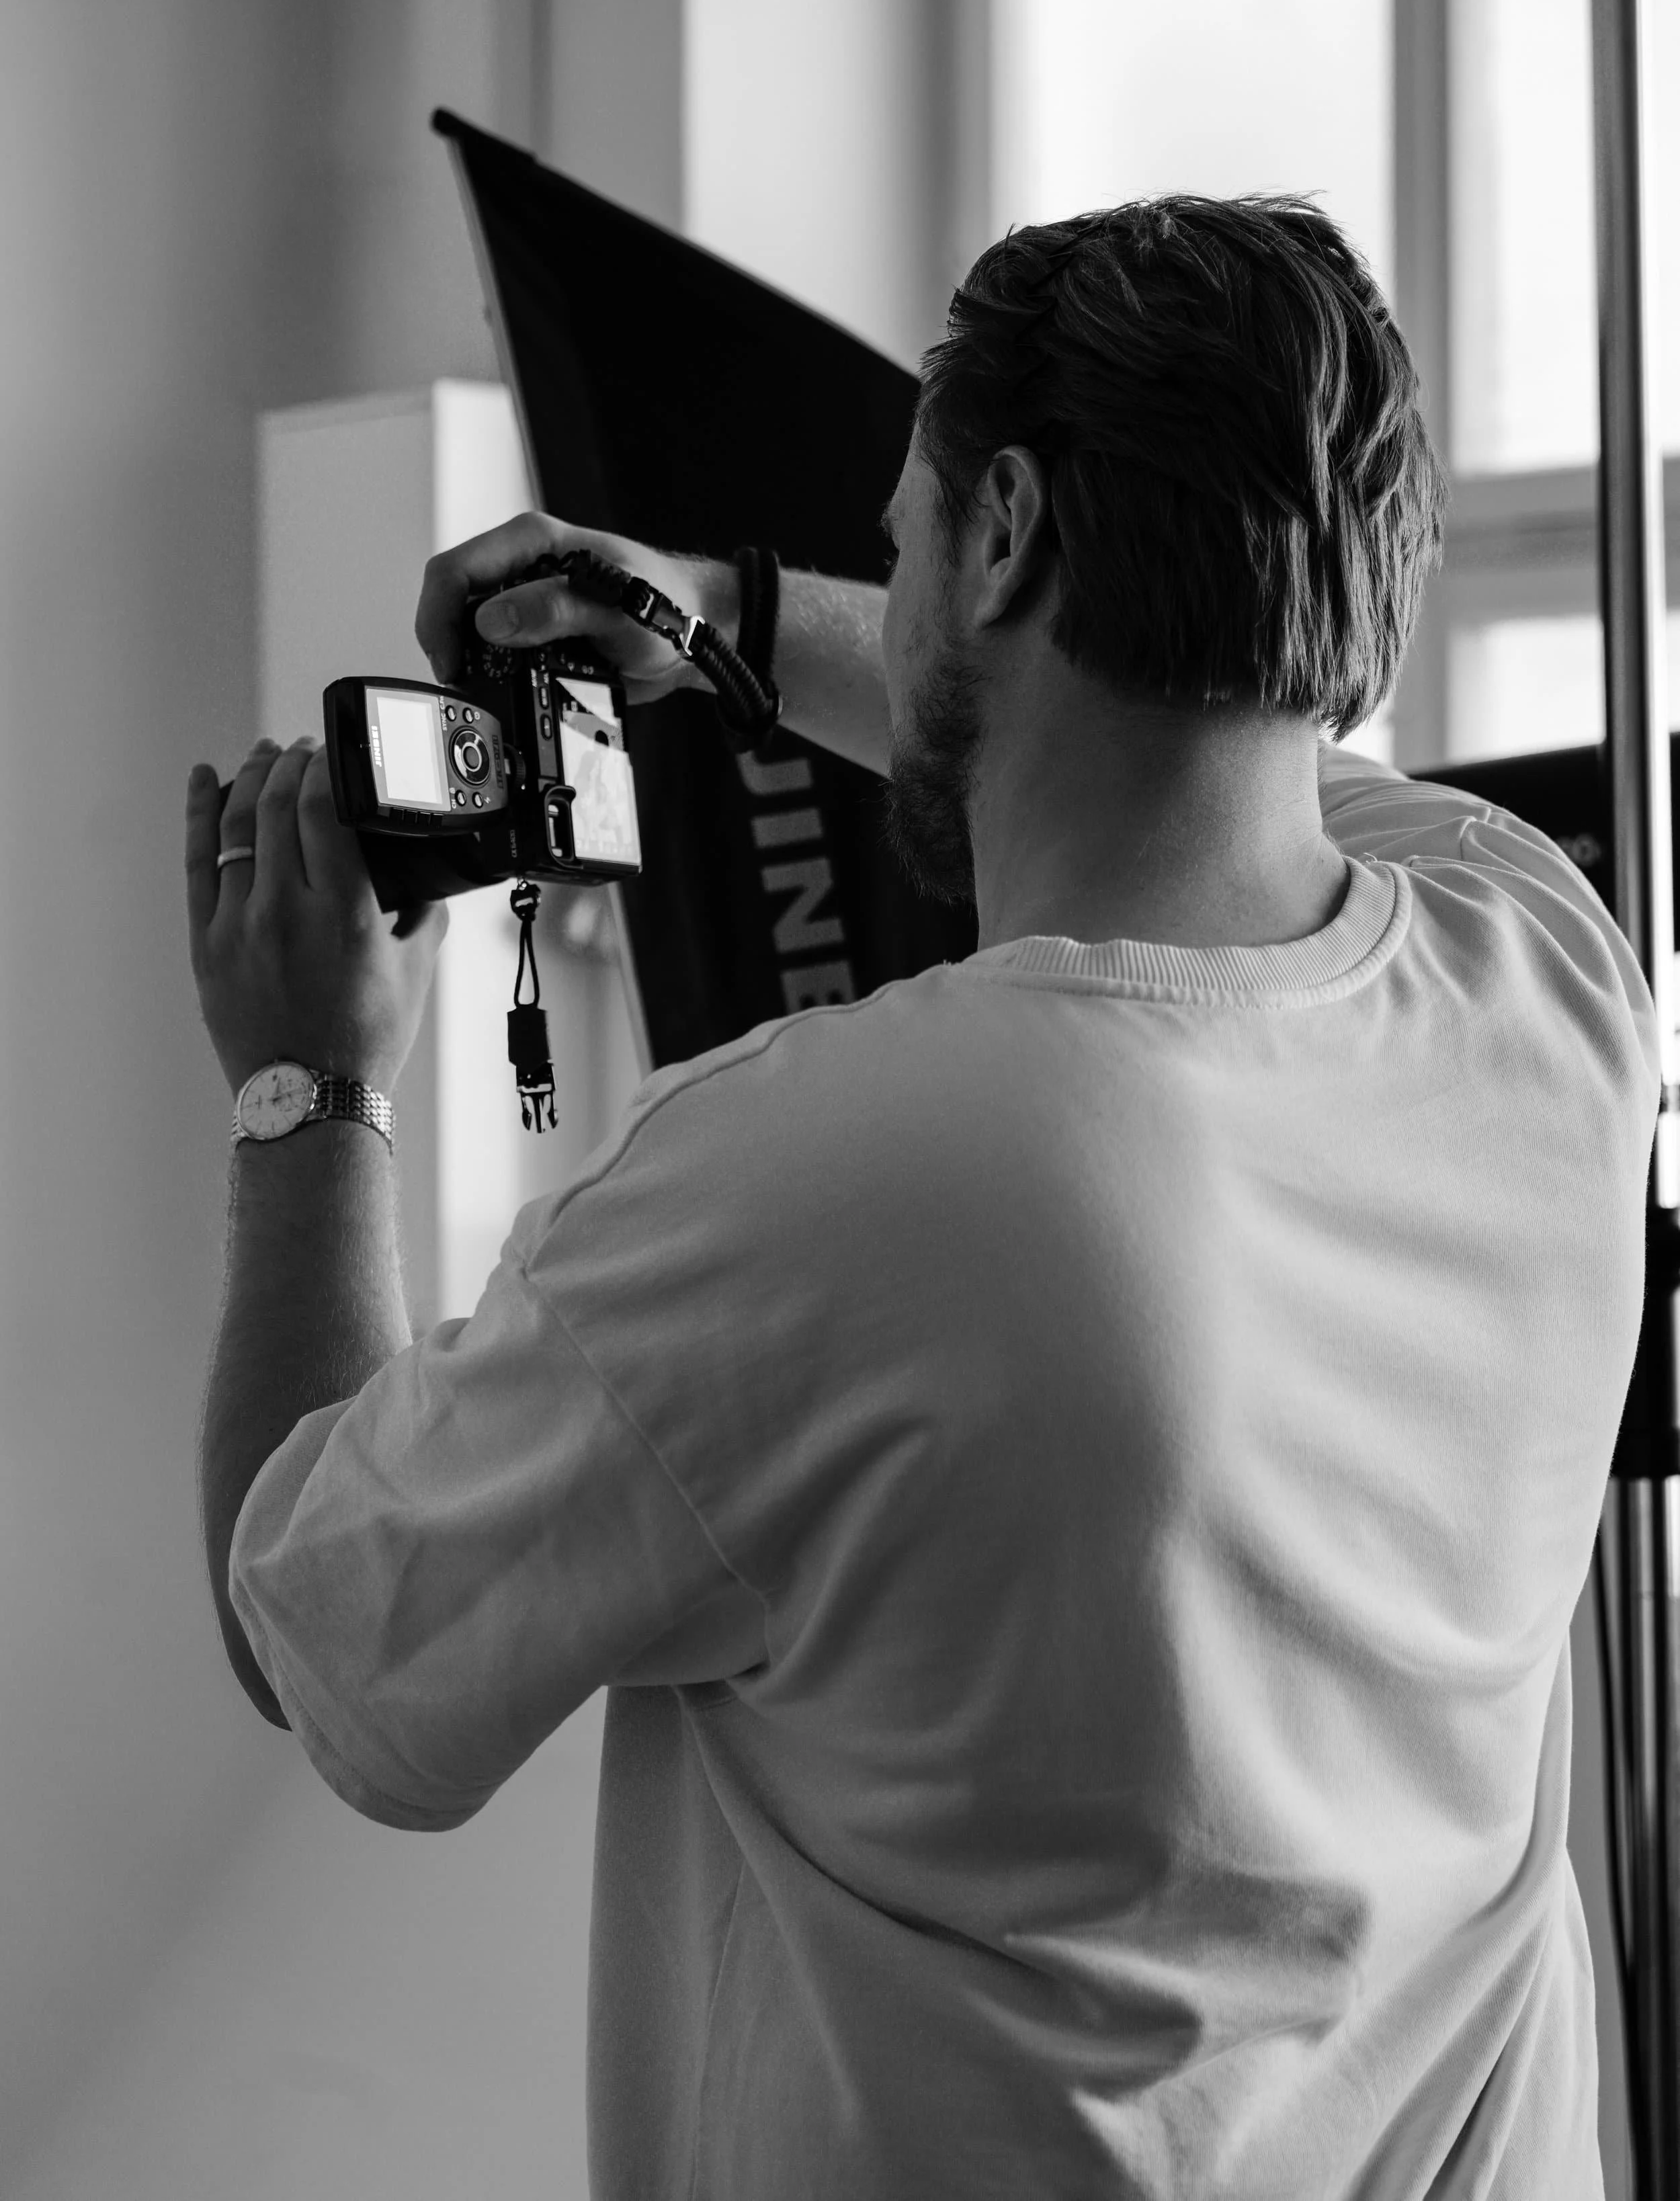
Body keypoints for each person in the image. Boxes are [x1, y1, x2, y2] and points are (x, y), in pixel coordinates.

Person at [186, 197, 1656, 2200]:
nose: (886, 568)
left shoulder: (828, 1176)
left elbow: (314, 1619)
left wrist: (310, 1082)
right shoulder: (1546, 970)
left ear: (1002, 533)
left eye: (906, 526)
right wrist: (714, 614)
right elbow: (1210, 765)